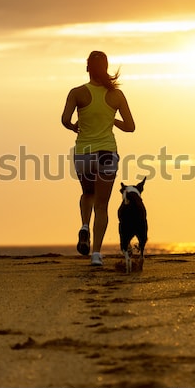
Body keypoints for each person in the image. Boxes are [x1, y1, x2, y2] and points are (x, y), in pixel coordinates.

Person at [61, 51, 135, 266]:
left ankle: (84, 226)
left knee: (87, 193)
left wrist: (74, 126)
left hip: (84, 153)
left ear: (87, 69)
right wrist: (113, 121)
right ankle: (95, 255)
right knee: (102, 206)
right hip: (107, 154)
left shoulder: (77, 93)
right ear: (106, 68)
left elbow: (65, 119)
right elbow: (130, 127)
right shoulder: (116, 96)